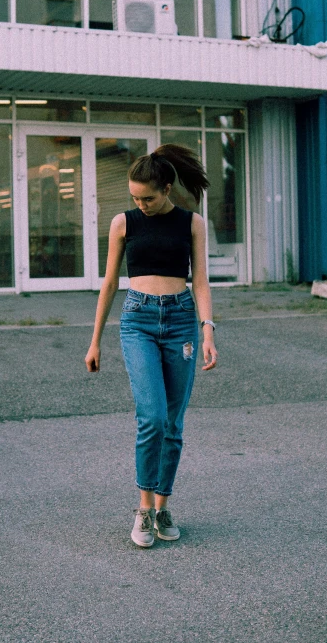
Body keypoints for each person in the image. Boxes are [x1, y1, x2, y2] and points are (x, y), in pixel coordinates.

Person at [85, 143, 218, 548]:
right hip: (138, 321)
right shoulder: (123, 223)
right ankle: (143, 509)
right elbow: (109, 283)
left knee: (174, 425)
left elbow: (200, 280)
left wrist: (207, 329)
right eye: (134, 197)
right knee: (153, 418)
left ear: (167, 189)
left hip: (181, 321)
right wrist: (95, 342)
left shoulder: (192, 223)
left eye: (148, 197)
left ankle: (162, 506)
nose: (140, 204)